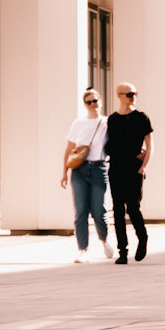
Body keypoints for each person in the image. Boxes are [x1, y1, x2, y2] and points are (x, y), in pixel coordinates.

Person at [60, 87, 113, 263]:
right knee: (80, 211)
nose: (92, 105)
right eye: (88, 102)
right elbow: (69, 149)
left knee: (99, 210)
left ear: (100, 101)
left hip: (99, 169)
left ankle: (104, 240)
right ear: (84, 104)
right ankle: (82, 249)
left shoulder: (107, 122)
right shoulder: (78, 124)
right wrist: (64, 172)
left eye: (95, 101)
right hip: (79, 170)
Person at [105, 82, 152, 264]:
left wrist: (144, 166)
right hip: (116, 168)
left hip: (134, 168)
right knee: (117, 210)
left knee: (133, 208)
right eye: (129, 94)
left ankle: (142, 238)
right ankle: (122, 251)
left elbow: (150, 145)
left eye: (134, 94)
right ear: (119, 95)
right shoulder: (112, 120)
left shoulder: (141, 118)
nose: (132, 97)